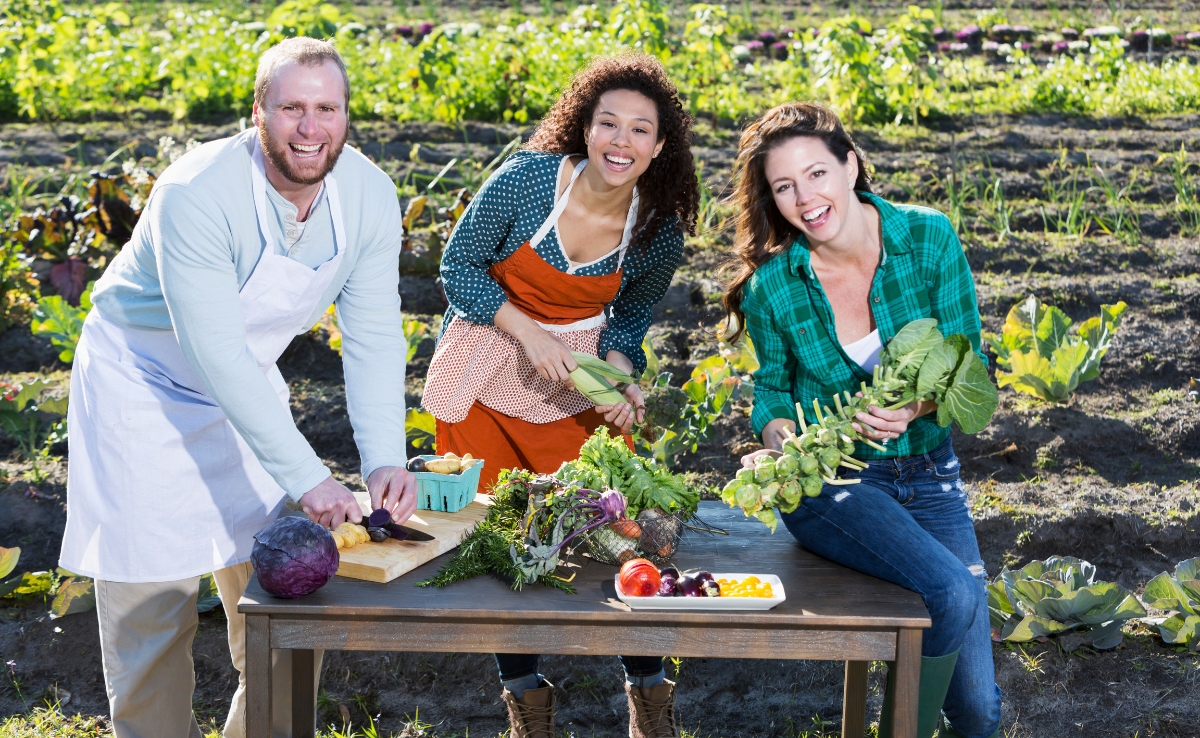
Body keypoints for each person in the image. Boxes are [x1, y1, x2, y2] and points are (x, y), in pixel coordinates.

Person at [58, 37, 417, 738]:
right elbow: (212, 350)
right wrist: (312, 477)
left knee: (290, 595)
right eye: (291, 107)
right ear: (258, 113)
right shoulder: (197, 192)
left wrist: (383, 458)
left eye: (326, 108)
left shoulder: (369, 196)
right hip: (142, 387)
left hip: (246, 392)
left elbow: (373, 335)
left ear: (346, 117)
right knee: (150, 616)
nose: (309, 128)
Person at [421, 53, 699, 738]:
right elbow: (458, 268)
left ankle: (649, 697)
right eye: (609, 123)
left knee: (622, 529)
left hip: (572, 385)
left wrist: (617, 368)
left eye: (640, 130)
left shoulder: (656, 228)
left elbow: (630, 316)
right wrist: (528, 333)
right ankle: (527, 707)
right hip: (487, 364)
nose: (621, 142)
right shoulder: (526, 183)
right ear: (585, 127)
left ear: (659, 147)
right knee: (506, 544)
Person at [723, 102, 1002, 738]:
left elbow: (969, 362)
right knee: (952, 593)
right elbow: (770, 391)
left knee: (981, 712)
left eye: (817, 173)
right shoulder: (775, 286)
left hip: (930, 474)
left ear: (851, 165)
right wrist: (780, 437)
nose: (805, 198)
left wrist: (915, 406)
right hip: (835, 484)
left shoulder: (928, 239)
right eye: (784, 186)